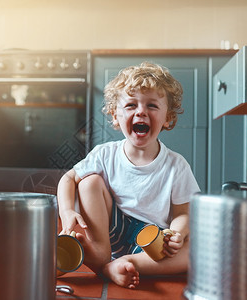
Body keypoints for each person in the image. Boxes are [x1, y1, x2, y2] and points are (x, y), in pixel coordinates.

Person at [56, 62, 200, 289]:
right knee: (88, 181)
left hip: (153, 241)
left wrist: (177, 234)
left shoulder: (176, 165)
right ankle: (101, 256)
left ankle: (122, 263)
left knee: (194, 250)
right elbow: (68, 179)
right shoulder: (104, 154)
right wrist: (67, 212)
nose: (141, 111)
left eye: (152, 106)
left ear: (168, 118)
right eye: (131, 105)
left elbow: (184, 213)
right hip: (111, 230)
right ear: (116, 116)